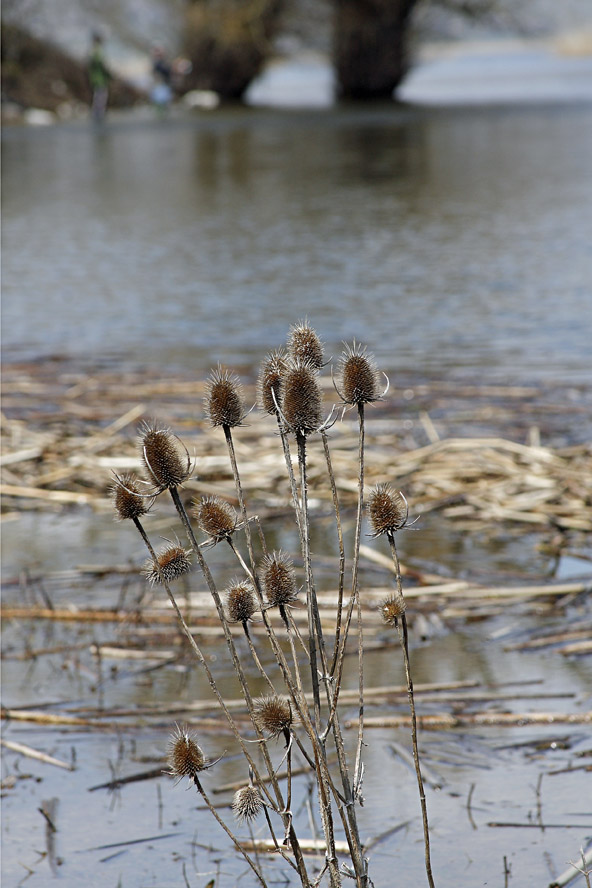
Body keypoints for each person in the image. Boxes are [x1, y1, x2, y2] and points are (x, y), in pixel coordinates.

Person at [88, 32, 112, 122]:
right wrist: (109, 75)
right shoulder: (97, 50)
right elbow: (102, 64)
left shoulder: (92, 50)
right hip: (100, 78)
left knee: (97, 94)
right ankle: (99, 113)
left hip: (95, 77)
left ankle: (97, 112)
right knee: (101, 95)